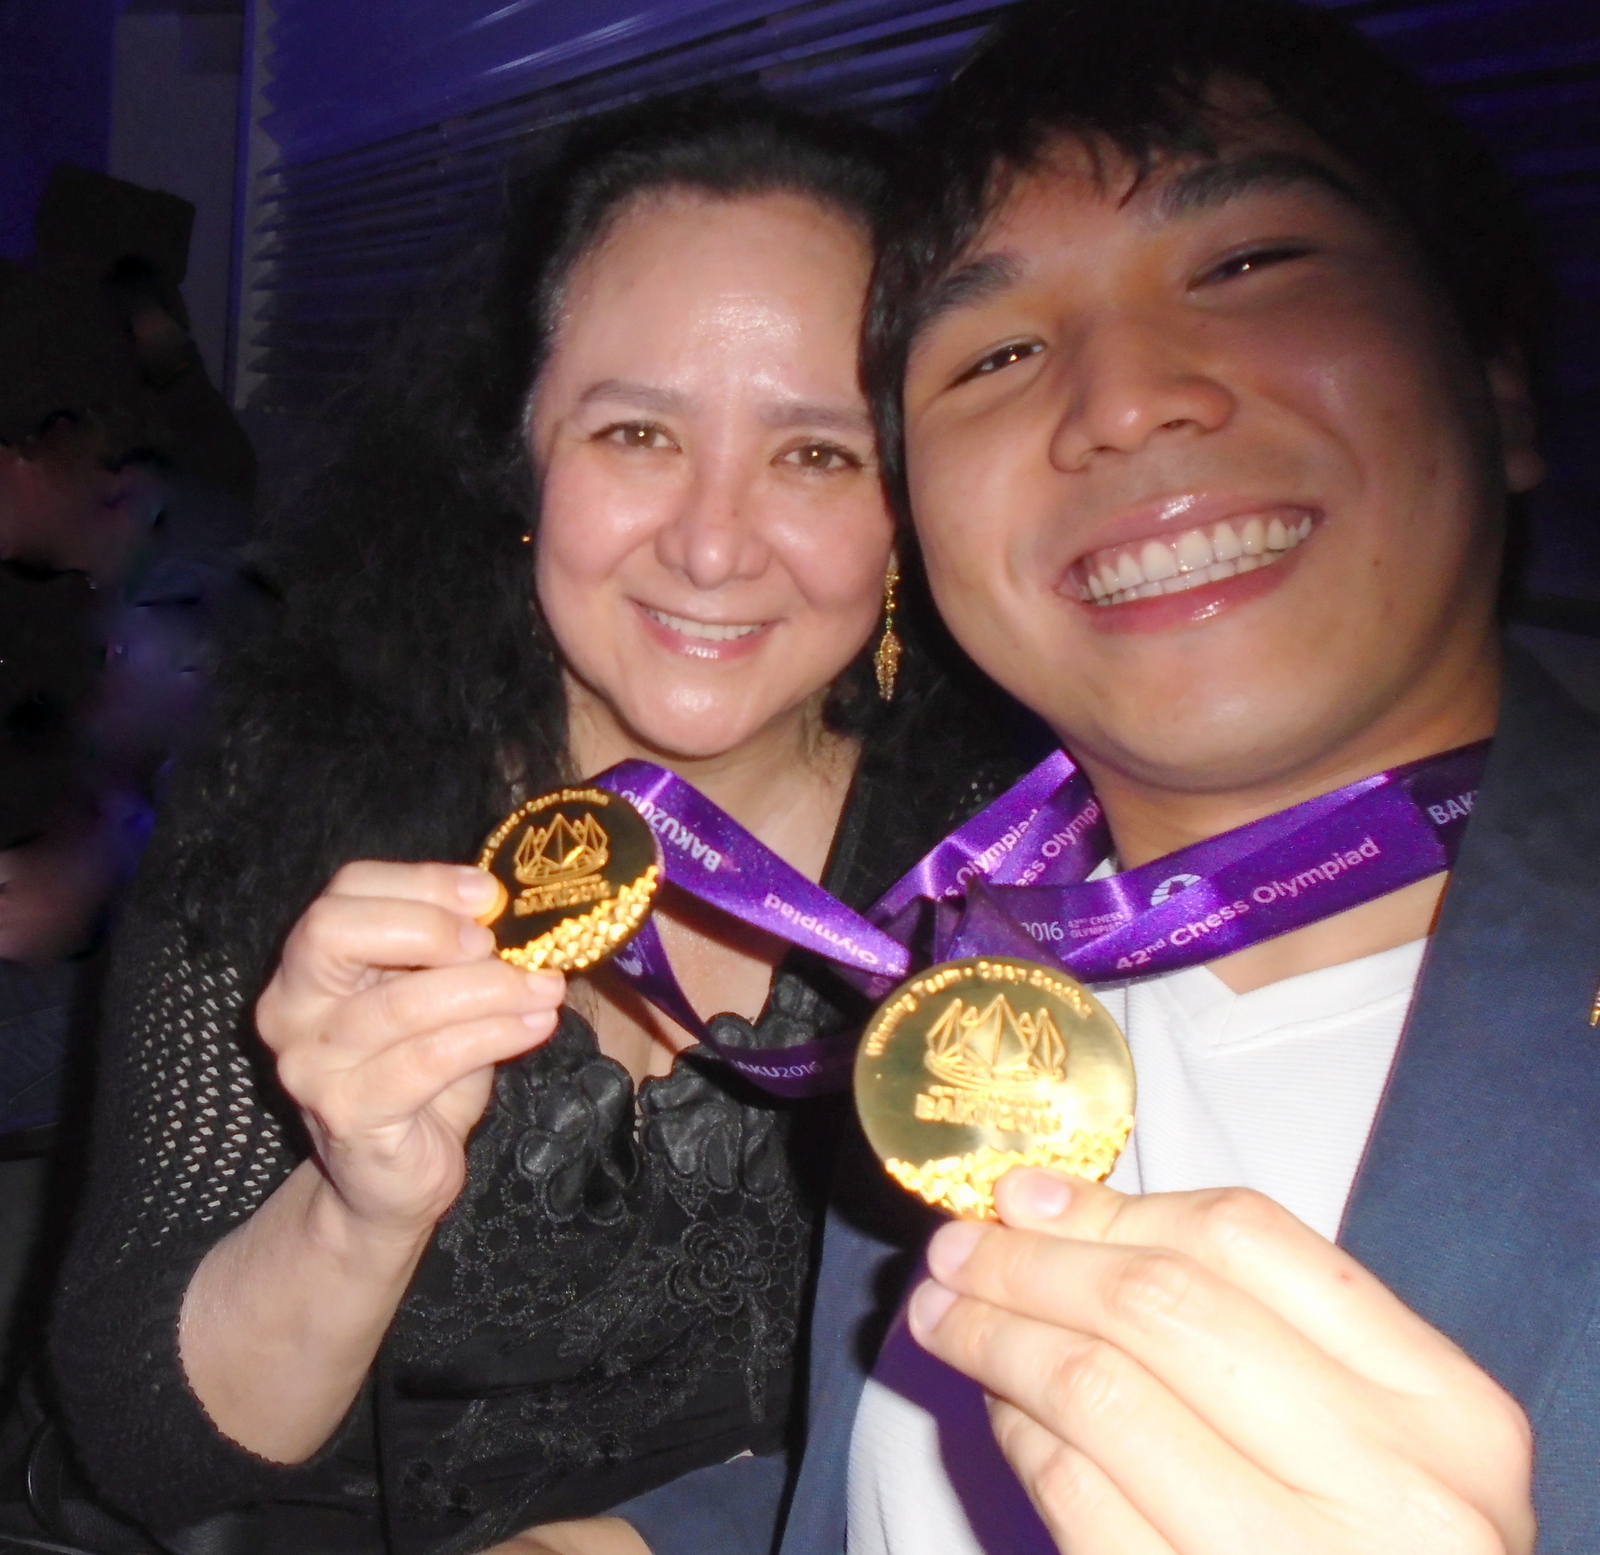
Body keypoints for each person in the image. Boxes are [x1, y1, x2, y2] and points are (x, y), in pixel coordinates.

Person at [44, 99, 1021, 1555]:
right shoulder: (298, 792)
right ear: (520, 462)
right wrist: (353, 1214)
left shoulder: (1013, 868)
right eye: (636, 432)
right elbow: (142, 1453)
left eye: (815, 455)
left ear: (909, 505)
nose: (709, 540)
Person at [768, 1, 1597, 1552]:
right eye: (998, 349)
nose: (1126, 399)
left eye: (1248, 267)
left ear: (1499, 389)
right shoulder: (980, 934)